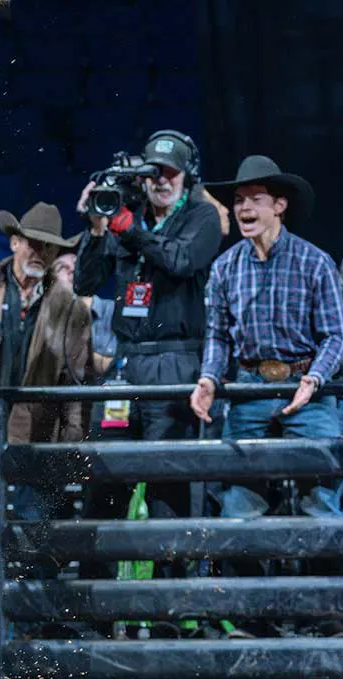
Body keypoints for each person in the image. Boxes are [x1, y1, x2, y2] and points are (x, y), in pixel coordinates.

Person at [190, 156, 343, 519]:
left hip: (307, 392)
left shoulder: (315, 262)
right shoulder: (225, 267)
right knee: (238, 508)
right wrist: (209, 378)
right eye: (238, 200)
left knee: (321, 504)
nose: (244, 207)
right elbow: (217, 335)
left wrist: (315, 379)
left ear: (279, 206)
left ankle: (324, 558)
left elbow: (335, 336)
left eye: (255, 199)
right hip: (250, 389)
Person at [73, 130, 223, 457]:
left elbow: (181, 260)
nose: (161, 180)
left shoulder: (201, 216)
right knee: (109, 465)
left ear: (187, 176)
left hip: (175, 362)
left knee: (167, 471)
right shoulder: (128, 214)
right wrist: (96, 230)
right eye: (153, 172)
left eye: (170, 172)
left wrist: (129, 230)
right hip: (125, 361)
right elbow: (84, 284)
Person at [0, 203, 90, 448]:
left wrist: (72, 441)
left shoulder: (70, 308)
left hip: (35, 437)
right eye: (34, 243)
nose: (41, 252)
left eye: (49, 247)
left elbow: (76, 381)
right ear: (15, 243)